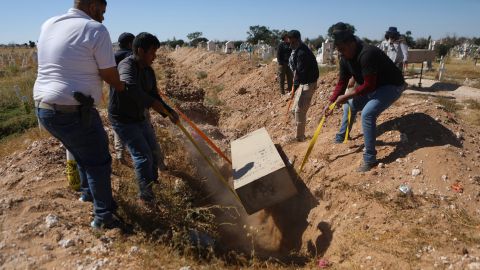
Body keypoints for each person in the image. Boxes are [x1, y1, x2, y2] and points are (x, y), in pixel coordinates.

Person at [34, 0, 125, 229]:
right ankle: (103, 218)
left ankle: (87, 194)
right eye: (102, 12)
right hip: (72, 111)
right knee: (99, 161)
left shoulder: (50, 23)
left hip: (44, 108)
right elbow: (109, 74)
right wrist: (124, 86)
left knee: (79, 150)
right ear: (93, 6)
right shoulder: (95, 29)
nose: (103, 18)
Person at [324, 22, 406, 172]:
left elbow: (369, 86)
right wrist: (331, 101)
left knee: (368, 113)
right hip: (375, 86)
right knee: (349, 105)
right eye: (338, 50)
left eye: (342, 49)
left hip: (391, 85)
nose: (341, 53)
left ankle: (370, 159)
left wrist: (347, 95)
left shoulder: (367, 54)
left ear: (351, 43)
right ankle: (343, 136)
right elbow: (342, 82)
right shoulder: (345, 58)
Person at [108, 32, 179, 206]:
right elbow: (129, 86)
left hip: (139, 117)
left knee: (154, 152)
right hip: (123, 119)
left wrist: (169, 112)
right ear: (140, 50)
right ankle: (145, 199)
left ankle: (153, 186)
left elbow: (154, 94)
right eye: (152, 53)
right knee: (143, 157)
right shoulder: (127, 65)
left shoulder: (148, 71)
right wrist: (153, 103)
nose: (154, 57)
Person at [287, 30, 320, 141]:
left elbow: (299, 72)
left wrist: (294, 87)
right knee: (294, 110)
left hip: (308, 84)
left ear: (298, 40)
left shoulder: (302, 53)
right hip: (302, 83)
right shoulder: (297, 50)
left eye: (292, 43)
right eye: (289, 43)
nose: (290, 45)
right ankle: (299, 133)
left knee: (299, 111)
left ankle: (300, 138)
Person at [112, 32, 134, 161]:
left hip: (115, 98)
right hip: (132, 97)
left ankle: (119, 154)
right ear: (131, 44)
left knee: (118, 126)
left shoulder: (112, 57)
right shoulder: (131, 56)